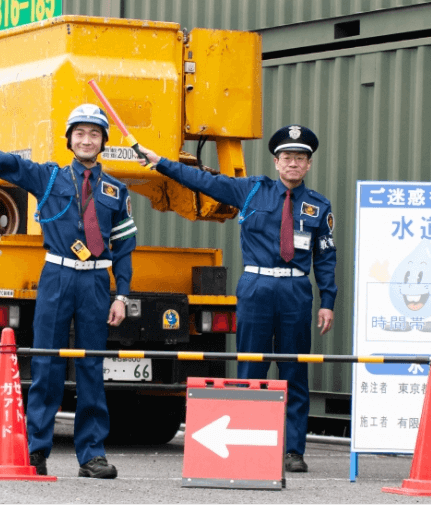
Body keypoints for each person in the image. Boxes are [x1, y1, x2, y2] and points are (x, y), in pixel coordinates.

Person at [0, 104, 136, 479]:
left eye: (94, 134)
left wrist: (121, 295)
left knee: (92, 368)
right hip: (57, 276)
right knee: (46, 366)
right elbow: (4, 161)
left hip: (94, 283)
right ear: (70, 139)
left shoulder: (117, 192)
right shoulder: (49, 178)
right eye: (80, 133)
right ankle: (36, 450)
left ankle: (92, 455)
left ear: (104, 141)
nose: (87, 140)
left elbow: (124, 248)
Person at [134, 125, 337, 473]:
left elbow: (326, 256)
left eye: (300, 158)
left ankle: (293, 451)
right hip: (257, 286)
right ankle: (246, 441)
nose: (293, 164)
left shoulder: (318, 206)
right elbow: (203, 182)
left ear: (308, 165)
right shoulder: (251, 190)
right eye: (287, 157)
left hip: (295, 291)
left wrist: (328, 300)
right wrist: (161, 164)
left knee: (294, 371)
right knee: (250, 368)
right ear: (276, 161)